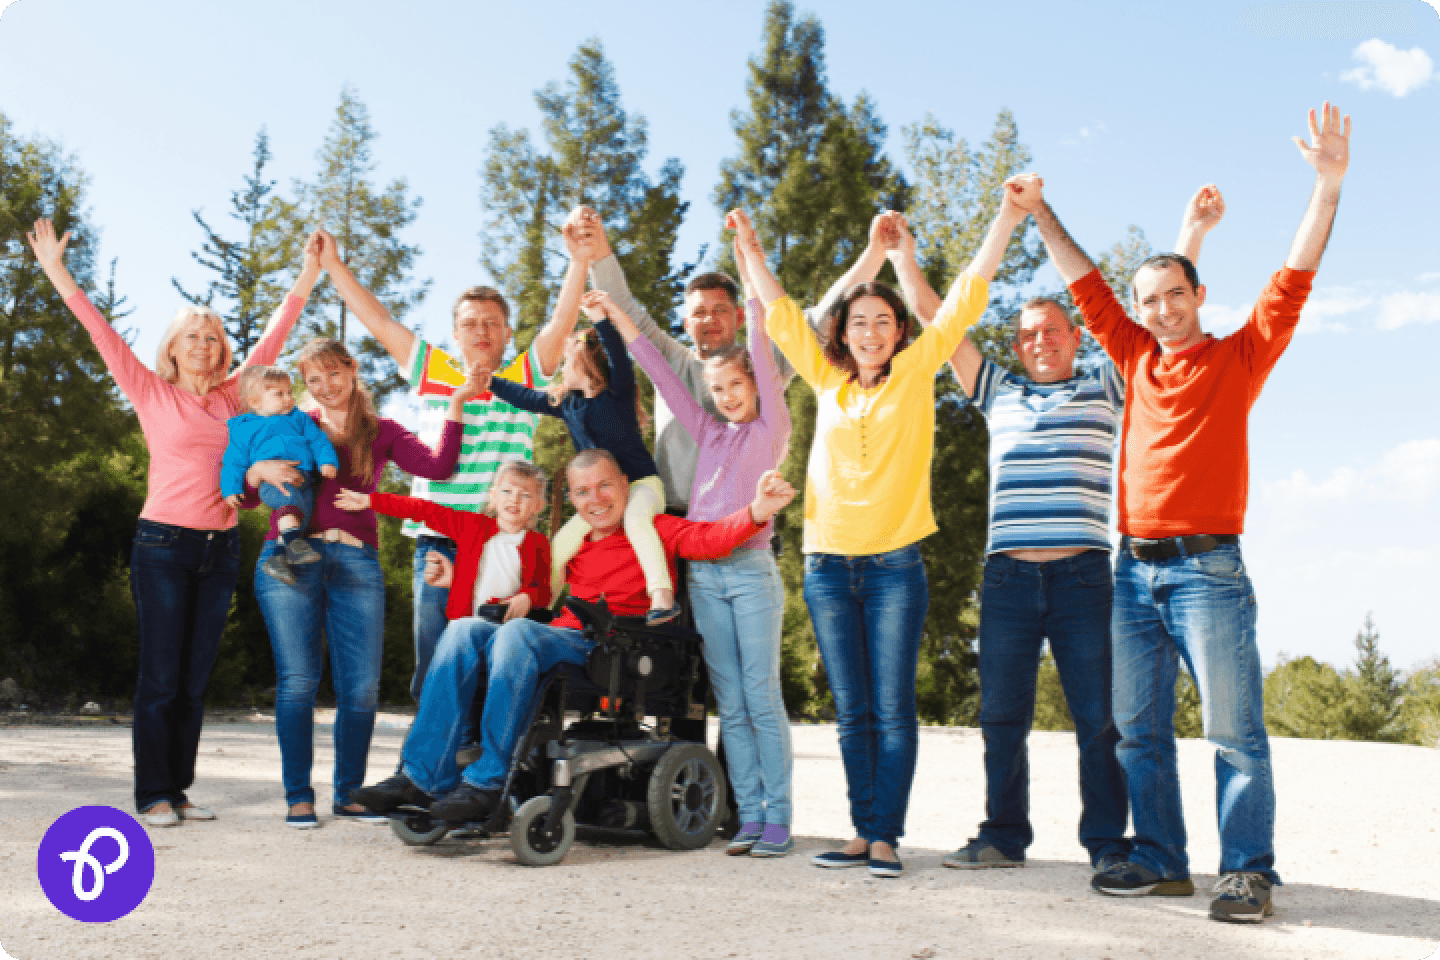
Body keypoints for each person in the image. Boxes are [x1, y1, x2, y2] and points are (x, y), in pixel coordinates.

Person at [1016, 103, 1350, 922]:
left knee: (1233, 733)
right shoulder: (1132, 354)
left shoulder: (1239, 355)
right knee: (1139, 733)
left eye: (1175, 294)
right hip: (1133, 572)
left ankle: (1247, 872)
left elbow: (1295, 276)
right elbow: (1083, 280)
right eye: (1150, 299)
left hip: (1208, 572)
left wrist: (1329, 186)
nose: (1163, 309)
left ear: (1198, 295)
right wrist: (1037, 210)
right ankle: (1162, 858)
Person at [879, 187, 1222, 876]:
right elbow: (933, 317)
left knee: (1099, 720)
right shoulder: (995, 389)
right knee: (1001, 719)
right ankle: (1003, 834)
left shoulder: (1106, 380)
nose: (1041, 340)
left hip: (1083, 578)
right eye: (1029, 333)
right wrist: (902, 259)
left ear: (1075, 337)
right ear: (1017, 345)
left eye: (1054, 330)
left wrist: (1191, 233)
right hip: (1007, 578)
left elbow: (1158, 309)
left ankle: (1106, 844)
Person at [731, 189, 1023, 877]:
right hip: (828, 566)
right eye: (858, 321)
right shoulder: (827, 379)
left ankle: (886, 836)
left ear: (898, 332)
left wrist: (1006, 218)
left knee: (892, 708)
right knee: (853, 710)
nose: (870, 331)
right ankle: (861, 832)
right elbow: (777, 313)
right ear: (844, 330)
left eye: (883, 321)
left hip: (894, 566)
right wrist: (748, 247)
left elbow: (966, 297)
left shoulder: (917, 373)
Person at [25, 217, 323, 826]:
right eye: (192, 336)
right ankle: (151, 795)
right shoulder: (150, 390)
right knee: (160, 676)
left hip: (219, 550)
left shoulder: (238, 394)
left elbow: (275, 334)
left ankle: (178, 789)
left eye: (212, 337)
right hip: (162, 544)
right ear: (172, 347)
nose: (204, 345)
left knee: (193, 680)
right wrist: (56, 269)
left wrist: (310, 273)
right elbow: (101, 333)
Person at [352, 451, 797, 824]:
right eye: (582, 492)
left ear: (625, 484)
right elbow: (529, 587)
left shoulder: (654, 530)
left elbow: (710, 539)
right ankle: (420, 776)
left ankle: (486, 784)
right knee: (464, 628)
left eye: (604, 486)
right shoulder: (573, 543)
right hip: (555, 638)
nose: (595, 500)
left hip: (614, 647)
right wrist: (457, 583)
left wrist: (758, 510)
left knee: (518, 637)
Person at [314, 227, 579, 703]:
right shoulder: (432, 372)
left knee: (493, 656)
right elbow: (378, 320)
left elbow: (561, 322)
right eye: (471, 323)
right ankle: (421, 765)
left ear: (506, 333)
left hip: (499, 544)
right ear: (456, 333)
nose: (481, 331)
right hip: (438, 542)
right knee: (434, 657)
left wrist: (578, 260)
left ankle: (478, 762)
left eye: (492, 323)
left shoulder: (524, 378)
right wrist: (333, 266)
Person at [599, 237, 794, 857]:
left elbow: (763, 336)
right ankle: (752, 817)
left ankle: (780, 818)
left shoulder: (769, 427)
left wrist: (747, 258)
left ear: (755, 384)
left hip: (752, 573)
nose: (727, 395)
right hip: (705, 576)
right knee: (731, 705)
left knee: (762, 700)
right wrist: (615, 311)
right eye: (718, 388)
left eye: (737, 384)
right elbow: (657, 365)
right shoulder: (706, 427)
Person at [244, 338, 484, 828]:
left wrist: (456, 405)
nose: (326, 387)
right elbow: (251, 496)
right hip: (292, 559)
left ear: (351, 371)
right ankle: (298, 797)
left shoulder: (382, 431)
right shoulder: (294, 424)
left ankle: (350, 793)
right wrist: (253, 469)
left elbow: (440, 467)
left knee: (361, 690)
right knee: (298, 682)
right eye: (313, 380)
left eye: (334, 373)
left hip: (357, 564)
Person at [568, 205, 889, 515]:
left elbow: (822, 318)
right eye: (699, 313)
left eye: (720, 310)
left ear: (738, 317)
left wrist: (875, 251)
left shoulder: (764, 363)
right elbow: (623, 307)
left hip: (742, 525)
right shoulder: (672, 362)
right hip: (675, 522)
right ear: (686, 323)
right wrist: (597, 251)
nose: (710, 319)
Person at [483, 266, 677, 624]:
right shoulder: (567, 404)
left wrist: (600, 319)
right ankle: (539, 605)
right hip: (598, 497)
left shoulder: (617, 394)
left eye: (565, 361)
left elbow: (619, 357)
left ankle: (661, 596)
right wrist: (490, 382)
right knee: (561, 544)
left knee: (636, 520)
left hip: (639, 486)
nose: (559, 372)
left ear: (584, 364)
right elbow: (525, 397)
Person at [335, 459, 551, 625]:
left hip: (508, 628)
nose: (514, 499)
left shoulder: (538, 543)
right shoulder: (472, 526)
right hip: (464, 624)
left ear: (538, 506)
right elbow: (423, 509)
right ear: (494, 497)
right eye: (507, 491)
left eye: (525, 495)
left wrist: (528, 598)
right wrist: (371, 500)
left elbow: (543, 591)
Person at [221, 366, 340, 585]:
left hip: (305, 478)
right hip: (273, 481)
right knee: (289, 503)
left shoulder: (299, 419)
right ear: (256, 401)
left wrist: (327, 462)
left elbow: (318, 440)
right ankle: (294, 547)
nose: (288, 399)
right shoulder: (244, 428)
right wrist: (231, 488)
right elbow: (233, 461)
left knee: (300, 517)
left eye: (289, 393)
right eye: (279, 394)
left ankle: (277, 558)